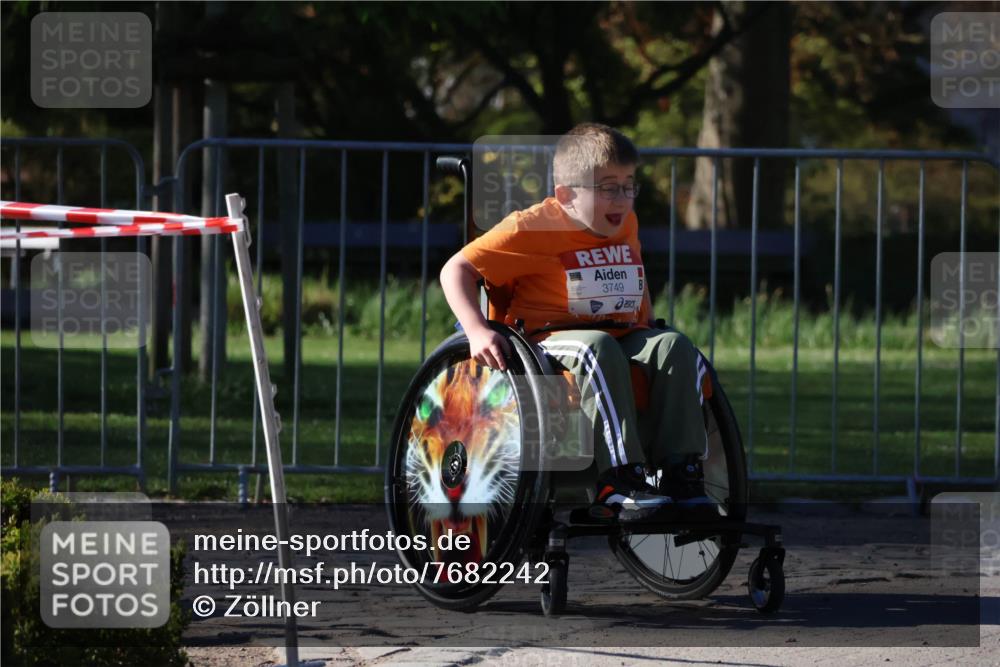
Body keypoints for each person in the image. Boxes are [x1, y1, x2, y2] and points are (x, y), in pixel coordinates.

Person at [439, 123, 711, 523]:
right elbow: (455, 269)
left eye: (629, 184)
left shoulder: (625, 223)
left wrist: (649, 320)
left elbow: (633, 271)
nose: (622, 197)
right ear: (566, 195)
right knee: (596, 346)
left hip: (620, 332)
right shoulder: (530, 227)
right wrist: (477, 329)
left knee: (675, 345)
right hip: (545, 340)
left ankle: (681, 473)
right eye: (608, 187)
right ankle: (618, 480)